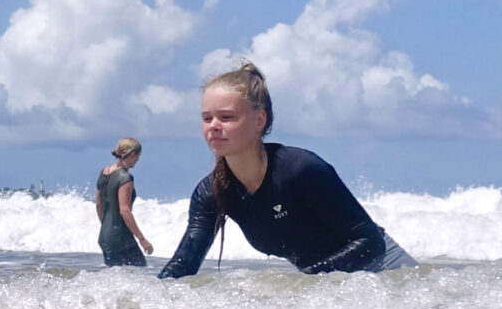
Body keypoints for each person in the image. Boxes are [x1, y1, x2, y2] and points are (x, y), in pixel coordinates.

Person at [158, 61, 415, 279]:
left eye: (226, 117)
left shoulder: (300, 169)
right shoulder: (212, 192)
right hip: (328, 288)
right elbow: (183, 266)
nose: (214, 126)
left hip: (385, 273)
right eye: (206, 118)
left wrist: (303, 285)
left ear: (259, 120)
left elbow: (369, 242)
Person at [94, 137, 154, 267]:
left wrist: (106, 227)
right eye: (138, 156)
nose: (138, 160)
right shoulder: (125, 178)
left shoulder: (103, 172)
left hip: (105, 236)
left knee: (115, 277)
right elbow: (125, 211)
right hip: (121, 237)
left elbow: (98, 205)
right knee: (140, 273)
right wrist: (142, 239)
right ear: (133, 154)